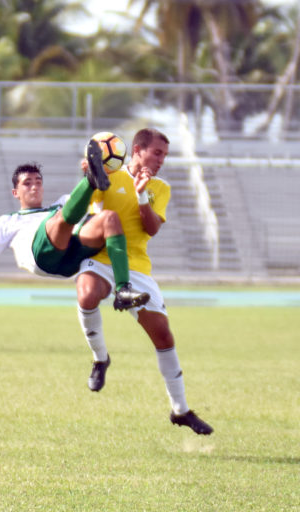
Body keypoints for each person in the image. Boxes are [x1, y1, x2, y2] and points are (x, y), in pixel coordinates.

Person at [75, 128, 213, 435]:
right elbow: (88, 202)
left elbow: (151, 229)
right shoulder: (109, 175)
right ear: (137, 150)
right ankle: (100, 359)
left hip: (136, 266)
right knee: (87, 295)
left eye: (165, 155)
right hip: (102, 258)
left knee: (163, 336)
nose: (162, 160)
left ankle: (180, 410)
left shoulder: (160, 187)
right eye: (157, 153)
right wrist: (88, 175)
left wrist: (141, 194)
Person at [0, 148, 150, 312]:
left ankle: (123, 290)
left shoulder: (60, 204)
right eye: (27, 183)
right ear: (15, 192)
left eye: (38, 182)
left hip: (70, 260)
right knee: (60, 217)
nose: (34, 187)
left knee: (109, 218)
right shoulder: (8, 220)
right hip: (42, 258)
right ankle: (89, 179)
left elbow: (86, 206)